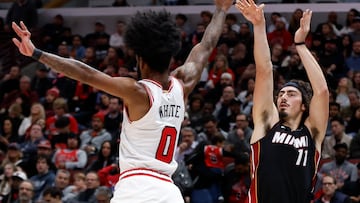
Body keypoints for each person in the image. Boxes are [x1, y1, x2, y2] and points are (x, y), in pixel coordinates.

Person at [11, 0, 233, 202]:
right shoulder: (182, 84)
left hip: (135, 189)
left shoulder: (138, 92)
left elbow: (85, 73)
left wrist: (37, 53)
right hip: (169, 191)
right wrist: (221, 9)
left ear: (140, 58)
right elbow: (206, 46)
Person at [234, 1, 329, 203]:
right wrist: (259, 26)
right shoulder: (267, 124)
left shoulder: (312, 133)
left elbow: (321, 91)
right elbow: (264, 69)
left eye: (291, 94)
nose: (283, 96)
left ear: (305, 105)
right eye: (281, 93)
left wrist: (300, 45)